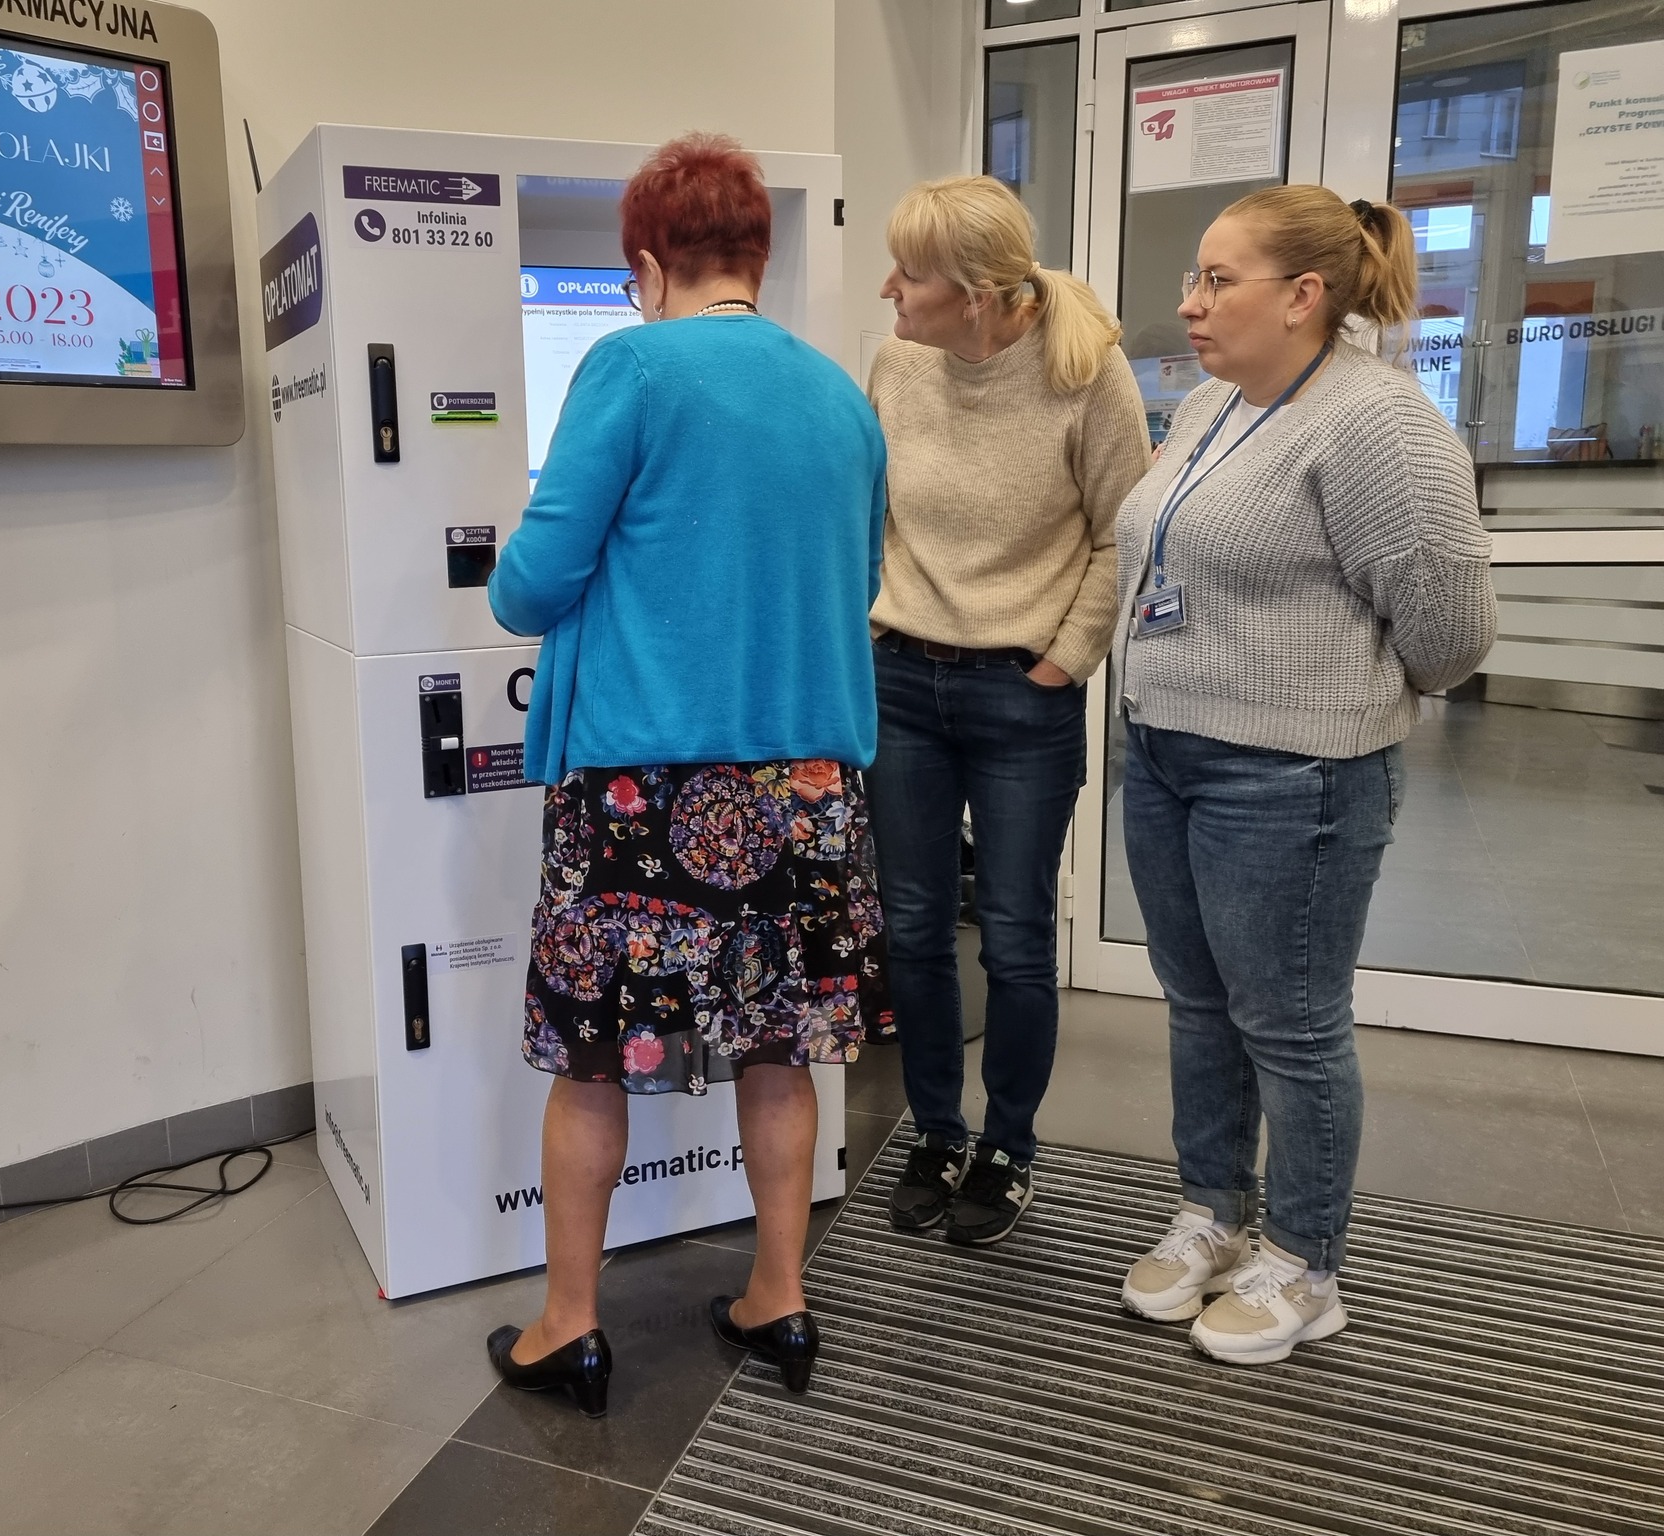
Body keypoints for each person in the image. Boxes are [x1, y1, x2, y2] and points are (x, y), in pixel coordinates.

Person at [481, 133, 891, 1416]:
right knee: (781, 1048)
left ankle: (570, 1327)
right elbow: (855, 582)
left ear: (649, 264)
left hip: (642, 791)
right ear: (753, 258)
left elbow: (530, 586)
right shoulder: (839, 397)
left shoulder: (632, 366)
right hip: (807, 790)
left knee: (593, 1057)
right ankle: (779, 1296)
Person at [1113, 186, 1496, 1364]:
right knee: (1196, 1006)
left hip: (1293, 774)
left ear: (1303, 295)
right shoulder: (1214, 403)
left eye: (1216, 279)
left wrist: (1343, 698)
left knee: (1289, 1025)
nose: (1189, 302)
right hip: (1164, 748)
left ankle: (1304, 1261)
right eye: (1192, 277)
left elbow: (1449, 631)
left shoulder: (1377, 424)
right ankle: (1212, 1213)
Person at [868, 177, 1149, 1245]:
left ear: (978, 296)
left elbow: (1121, 535)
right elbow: (868, 510)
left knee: (1019, 940)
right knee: (911, 926)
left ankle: (1007, 1149)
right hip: (901, 681)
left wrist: (1062, 661)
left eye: (910, 274)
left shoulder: (1086, 374)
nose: (888, 289)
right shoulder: (897, 363)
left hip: (1020, 694)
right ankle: (935, 1134)